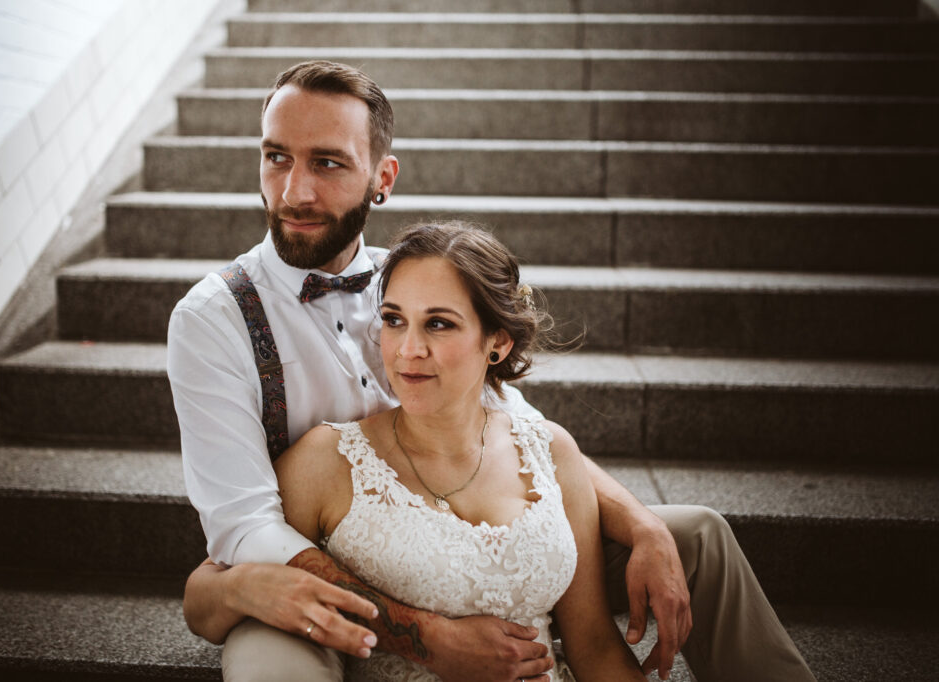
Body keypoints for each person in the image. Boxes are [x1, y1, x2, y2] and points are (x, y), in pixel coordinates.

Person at [168, 60, 816, 682]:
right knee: (273, 664)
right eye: (276, 156)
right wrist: (426, 635)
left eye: (328, 163)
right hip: (307, 566)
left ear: (382, 177)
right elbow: (245, 528)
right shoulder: (215, 316)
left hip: (454, 523)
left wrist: (641, 524)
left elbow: (520, 432)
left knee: (693, 533)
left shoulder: (419, 280)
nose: (293, 191)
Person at [274, 220, 647, 681]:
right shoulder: (327, 461)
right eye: (393, 320)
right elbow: (218, 588)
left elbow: (593, 644)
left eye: (438, 324)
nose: (408, 350)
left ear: (498, 342)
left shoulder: (550, 450)